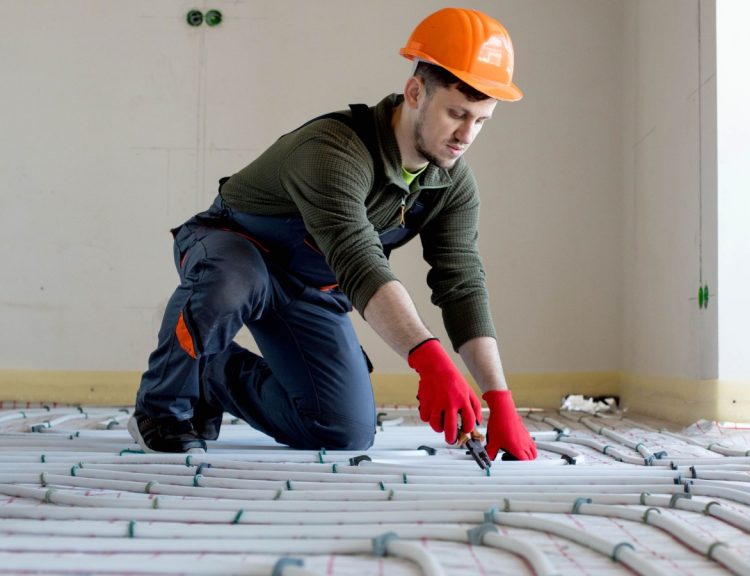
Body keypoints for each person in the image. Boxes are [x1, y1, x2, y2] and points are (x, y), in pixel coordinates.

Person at [128, 7, 538, 462]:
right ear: (416, 91)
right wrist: (429, 360)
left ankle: (211, 375)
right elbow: (359, 258)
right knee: (229, 284)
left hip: (309, 288)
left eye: (481, 121)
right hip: (234, 247)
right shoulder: (334, 150)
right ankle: (160, 408)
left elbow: (461, 284)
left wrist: (499, 397)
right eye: (457, 114)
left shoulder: (451, 184)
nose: (466, 135)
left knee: (343, 429)